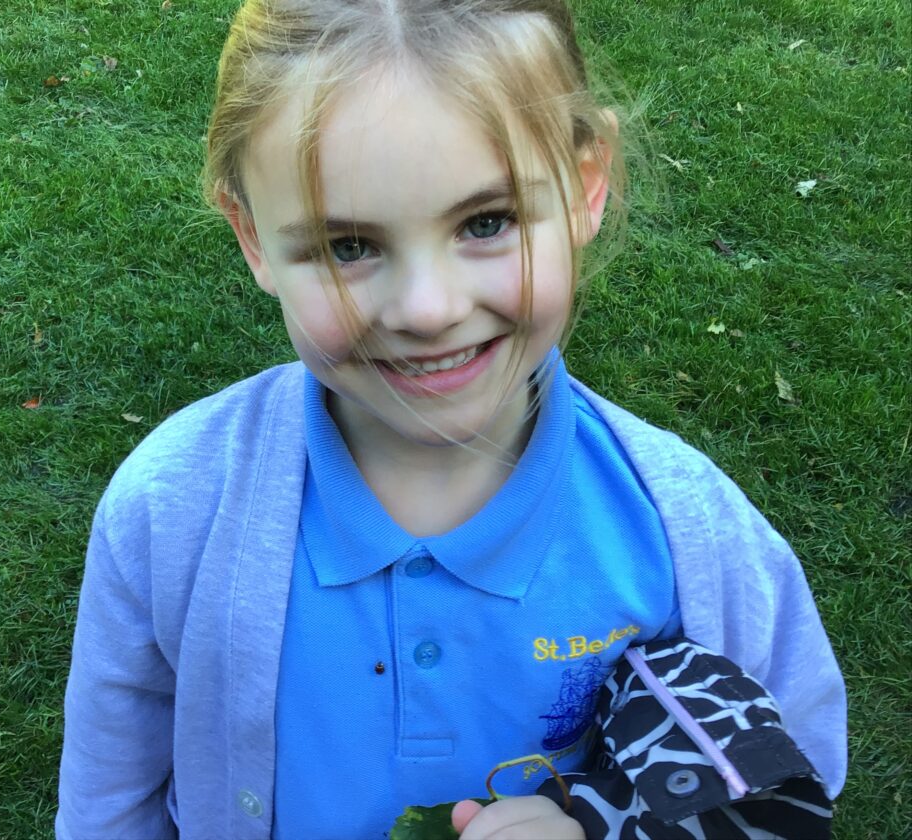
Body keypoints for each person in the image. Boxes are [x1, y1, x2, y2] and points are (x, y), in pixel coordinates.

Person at [56, 2, 847, 838]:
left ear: (586, 185)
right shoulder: (171, 509)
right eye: (348, 247)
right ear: (253, 237)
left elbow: (786, 782)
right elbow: (110, 800)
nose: (428, 309)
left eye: (486, 223)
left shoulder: (691, 540)